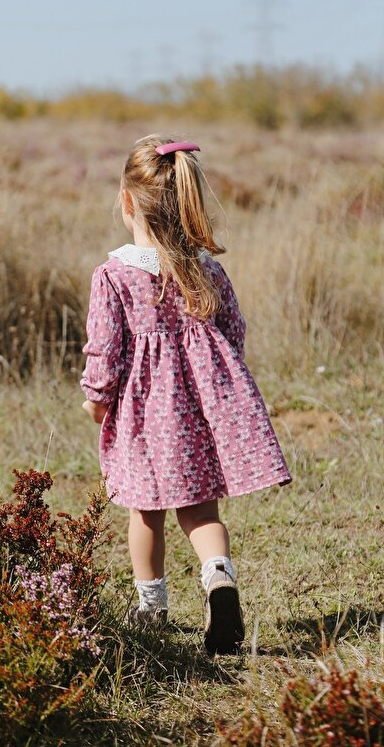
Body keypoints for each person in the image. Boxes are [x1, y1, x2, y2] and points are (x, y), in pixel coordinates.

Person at [80, 134, 291, 655]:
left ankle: (151, 607)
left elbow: (104, 350)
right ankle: (219, 578)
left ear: (128, 202)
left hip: (144, 418)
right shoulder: (207, 269)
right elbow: (235, 334)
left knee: (143, 512)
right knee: (201, 512)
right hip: (200, 412)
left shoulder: (114, 276)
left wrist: (96, 398)